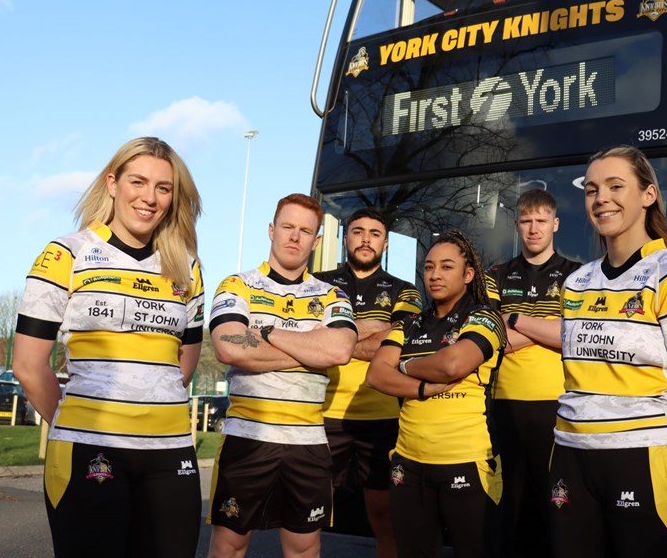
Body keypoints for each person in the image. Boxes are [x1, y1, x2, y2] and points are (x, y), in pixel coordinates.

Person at [13, 137, 206, 558]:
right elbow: (28, 365)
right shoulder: (66, 253)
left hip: (170, 451)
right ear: (113, 182)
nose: (150, 198)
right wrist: (77, 422)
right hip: (89, 448)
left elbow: (183, 366)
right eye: (138, 182)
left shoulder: (187, 265)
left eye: (163, 188)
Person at [548, 146, 667, 557]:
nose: (601, 198)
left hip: (645, 459)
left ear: (648, 195)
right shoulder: (575, 284)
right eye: (591, 189)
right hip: (570, 459)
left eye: (615, 186)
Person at [207, 193, 357, 558]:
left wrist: (267, 333)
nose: (295, 237)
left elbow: (339, 350)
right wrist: (310, 350)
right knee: (230, 545)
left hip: (308, 442)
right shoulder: (237, 284)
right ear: (272, 230)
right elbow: (229, 345)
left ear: (317, 241)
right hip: (248, 437)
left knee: (304, 548)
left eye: (305, 231)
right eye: (288, 227)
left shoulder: (332, 294)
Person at [366, 230, 506, 558]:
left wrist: (403, 366)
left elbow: (453, 364)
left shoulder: (485, 317)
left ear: (468, 274)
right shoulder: (411, 324)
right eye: (429, 267)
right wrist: (422, 387)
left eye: (446, 267)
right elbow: (374, 374)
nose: (435, 275)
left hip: (468, 461)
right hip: (409, 463)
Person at [316, 208, 422, 557]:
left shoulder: (405, 291)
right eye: (357, 231)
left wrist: (337, 340)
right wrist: (375, 334)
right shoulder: (315, 282)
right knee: (309, 512)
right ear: (345, 238)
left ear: (386, 242)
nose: (365, 239)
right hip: (322, 415)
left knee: (384, 515)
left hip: (382, 417)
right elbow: (304, 334)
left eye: (374, 233)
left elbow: (399, 339)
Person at [485, 189, 581, 558]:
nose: (533, 229)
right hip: (504, 403)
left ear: (555, 224)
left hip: (558, 404)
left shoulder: (576, 275)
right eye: (526, 221)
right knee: (507, 500)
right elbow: (490, 341)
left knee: (554, 498)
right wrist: (545, 327)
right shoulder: (496, 274)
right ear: (516, 225)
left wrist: (514, 319)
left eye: (541, 221)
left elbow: (572, 334)